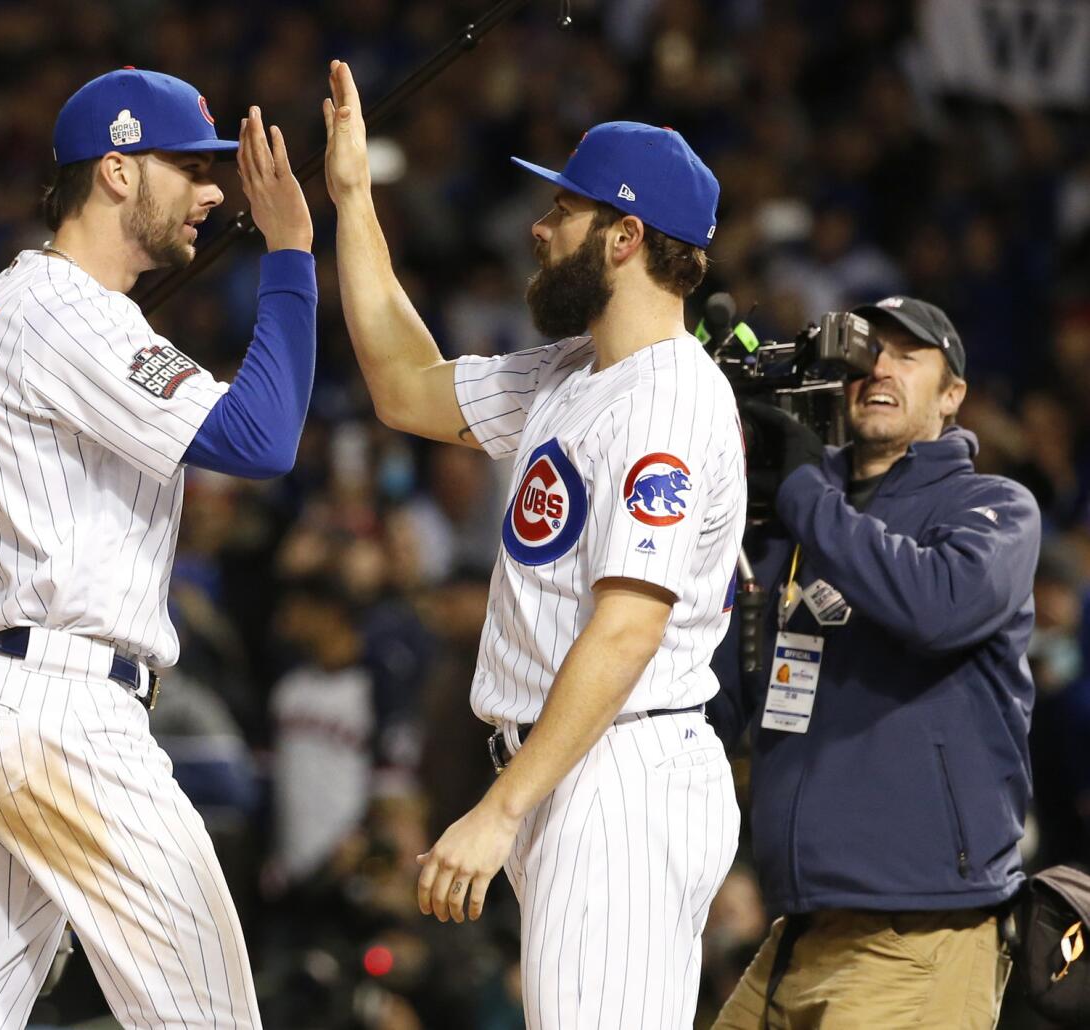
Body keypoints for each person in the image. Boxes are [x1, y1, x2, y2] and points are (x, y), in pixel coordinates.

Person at [322, 60, 745, 1027]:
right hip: (578, 768)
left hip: (618, 774)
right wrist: (353, 201)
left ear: (626, 236)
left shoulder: (667, 399)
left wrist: (501, 809)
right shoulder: (576, 371)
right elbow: (405, 387)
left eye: (565, 208)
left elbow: (628, 631)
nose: (539, 227)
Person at [0, 68, 316, 1029]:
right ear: (117, 172)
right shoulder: (68, 309)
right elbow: (262, 440)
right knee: (210, 1015)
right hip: (59, 712)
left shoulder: (15, 301)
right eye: (189, 166)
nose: (215, 192)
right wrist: (291, 252)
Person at [707, 297, 1038, 1028]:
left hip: (921, 932)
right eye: (864, 354)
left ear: (952, 395)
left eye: (906, 355)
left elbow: (935, 606)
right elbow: (720, 702)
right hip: (799, 929)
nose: (878, 367)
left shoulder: (994, 507)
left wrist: (802, 493)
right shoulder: (790, 524)